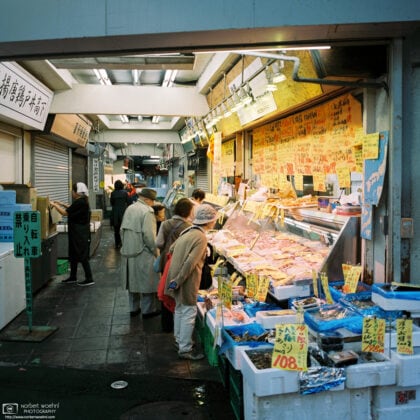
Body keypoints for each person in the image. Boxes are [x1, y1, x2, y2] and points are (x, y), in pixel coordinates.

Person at [165, 204, 218, 360]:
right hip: (186, 278)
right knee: (189, 311)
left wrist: (175, 277)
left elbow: (172, 249)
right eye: (214, 219)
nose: (215, 222)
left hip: (174, 274)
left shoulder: (188, 230)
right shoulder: (201, 237)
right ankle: (185, 349)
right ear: (208, 221)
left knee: (180, 309)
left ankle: (179, 340)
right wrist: (179, 280)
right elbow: (190, 262)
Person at [120, 188, 161, 318]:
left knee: (132, 281)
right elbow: (149, 236)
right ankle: (148, 311)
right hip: (143, 251)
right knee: (147, 281)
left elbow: (122, 230)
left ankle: (134, 308)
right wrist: (156, 252)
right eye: (153, 201)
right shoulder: (147, 211)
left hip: (128, 250)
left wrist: (126, 245)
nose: (153, 204)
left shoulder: (130, 208)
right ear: (147, 199)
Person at [155, 197, 195, 332]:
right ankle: (179, 327)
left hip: (166, 261)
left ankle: (166, 325)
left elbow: (159, 243)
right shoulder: (189, 228)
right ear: (189, 212)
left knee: (166, 290)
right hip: (181, 263)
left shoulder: (166, 224)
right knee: (178, 292)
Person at [51, 182, 94, 286]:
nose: (72, 193)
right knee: (74, 255)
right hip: (77, 233)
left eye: (73, 191)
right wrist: (61, 203)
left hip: (79, 234)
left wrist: (54, 205)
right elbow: (71, 207)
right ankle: (73, 277)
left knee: (82, 255)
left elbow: (65, 213)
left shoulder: (80, 202)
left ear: (77, 192)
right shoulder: (82, 201)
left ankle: (89, 278)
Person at [110, 179, 129, 248]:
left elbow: (111, 203)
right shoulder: (125, 193)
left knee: (116, 230)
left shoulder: (113, 193)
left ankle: (117, 243)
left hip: (115, 212)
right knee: (124, 229)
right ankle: (124, 243)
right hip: (123, 212)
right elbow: (128, 202)